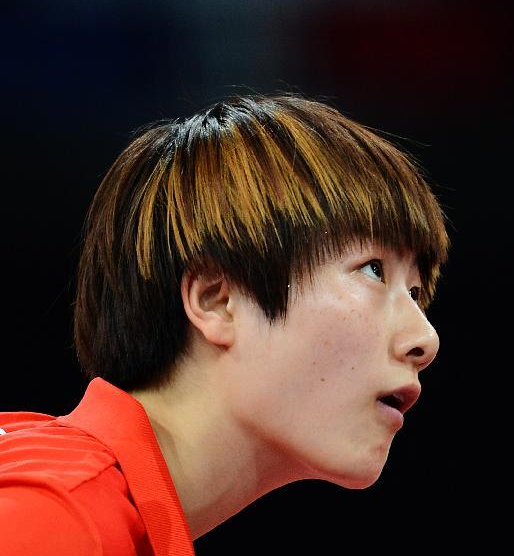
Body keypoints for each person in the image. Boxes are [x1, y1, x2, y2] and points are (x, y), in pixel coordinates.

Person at [0, 94, 450, 555]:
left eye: (415, 294)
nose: (425, 339)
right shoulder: (57, 516)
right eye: (373, 270)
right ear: (218, 301)